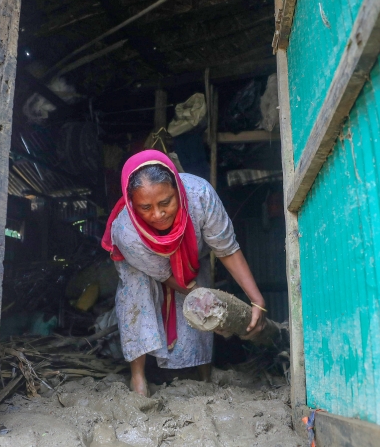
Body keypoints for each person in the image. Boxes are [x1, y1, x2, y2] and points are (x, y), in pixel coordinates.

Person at [102, 149, 267, 396]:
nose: (158, 214)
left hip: (191, 257)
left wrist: (257, 299)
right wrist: (209, 307)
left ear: (177, 189)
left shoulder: (199, 195)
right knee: (137, 293)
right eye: (145, 207)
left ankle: (204, 371)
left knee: (198, 285)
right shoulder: (126, 231)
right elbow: (165, 275)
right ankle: (138, 378)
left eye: (166, 202)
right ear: (131, 202)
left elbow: (226, 248)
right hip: (141, 265)